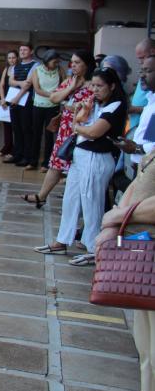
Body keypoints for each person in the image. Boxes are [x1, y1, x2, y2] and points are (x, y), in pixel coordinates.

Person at [34, 67, 126, 265]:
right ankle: (62, 240)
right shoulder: (95, 103)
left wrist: (77, 125)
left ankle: (94, 248)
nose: (94, 89)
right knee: (71, 198)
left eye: (99, 86)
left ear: (112, 86)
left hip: (97, 157)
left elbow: (93, 131)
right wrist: (81, 116)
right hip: (81, 155)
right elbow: (79, 119)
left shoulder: (115, 106)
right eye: (92, 85)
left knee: (92, 203)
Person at [95, 153, 155, 391]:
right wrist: (112, 222)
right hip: (146, 258)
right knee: (148, 353)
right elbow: (140, 182)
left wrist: (118, 217)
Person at [22, 51, 95, 209]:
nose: (73, 65)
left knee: (76, 167)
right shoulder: (70, 81)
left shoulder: (94, 84)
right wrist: (71, 88)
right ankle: (41, 196)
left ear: (87, 64)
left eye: (77, 62)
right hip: (66, 129)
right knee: (56, 163)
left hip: (82, 130)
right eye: (72, 62)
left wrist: (73, 105)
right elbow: (54, 98)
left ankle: (77, 205)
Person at [25, 50, 66, 170]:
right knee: (36, 134)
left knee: (49, 135)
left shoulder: (60, 70)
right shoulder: (37, 70)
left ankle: (46, 163)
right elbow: (37, 89)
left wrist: (58, 96)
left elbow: (64, 85)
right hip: (38, 106)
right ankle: (33, 161)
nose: (56, 64)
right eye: (54, 61)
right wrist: (52, 95)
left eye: (57, 62)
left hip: (53, 107)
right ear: (47, 60)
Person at [4, 44, 38, 166]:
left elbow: (28, 84)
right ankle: (17, 154)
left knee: (26, 129)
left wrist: (17, 97)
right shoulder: (15, 66)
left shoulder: (35, 65)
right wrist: (20, 82)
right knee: (16, 128)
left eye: (25, 50)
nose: (22, 52)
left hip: (26, 101)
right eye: (21, 50)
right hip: (14, 100)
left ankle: (27, 156)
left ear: (31, 51)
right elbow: (10, 82)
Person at [128, 39, 155, 133]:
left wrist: (137, 148)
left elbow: (151, 144)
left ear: (153, 52)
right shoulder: (151, 101)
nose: (142, 75)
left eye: (142, 57)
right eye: (141, 71)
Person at [0, 50, 18, 157]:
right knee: (6, 126)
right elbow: (1, 85)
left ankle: (14, 150)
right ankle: (6, 147)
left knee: (16, 127)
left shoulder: (19, 69)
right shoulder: (6, 69)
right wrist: (2, 99)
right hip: (5, 101)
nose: (11, 60)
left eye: (13, 57)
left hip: (16, 101)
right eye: (9, 58)